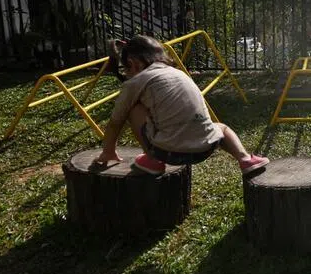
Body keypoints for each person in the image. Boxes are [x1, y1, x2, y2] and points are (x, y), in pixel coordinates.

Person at [94, 35, 269, 176]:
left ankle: (152, 160)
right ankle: (245, 158)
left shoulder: (137, 81)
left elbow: (116, 121)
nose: (127, 74)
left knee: (133, 109)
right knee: (221, 127)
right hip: (206, 147)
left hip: (169, 152)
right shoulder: (177, 73)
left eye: (126, 69)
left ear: (132, 63)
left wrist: (108, 150)